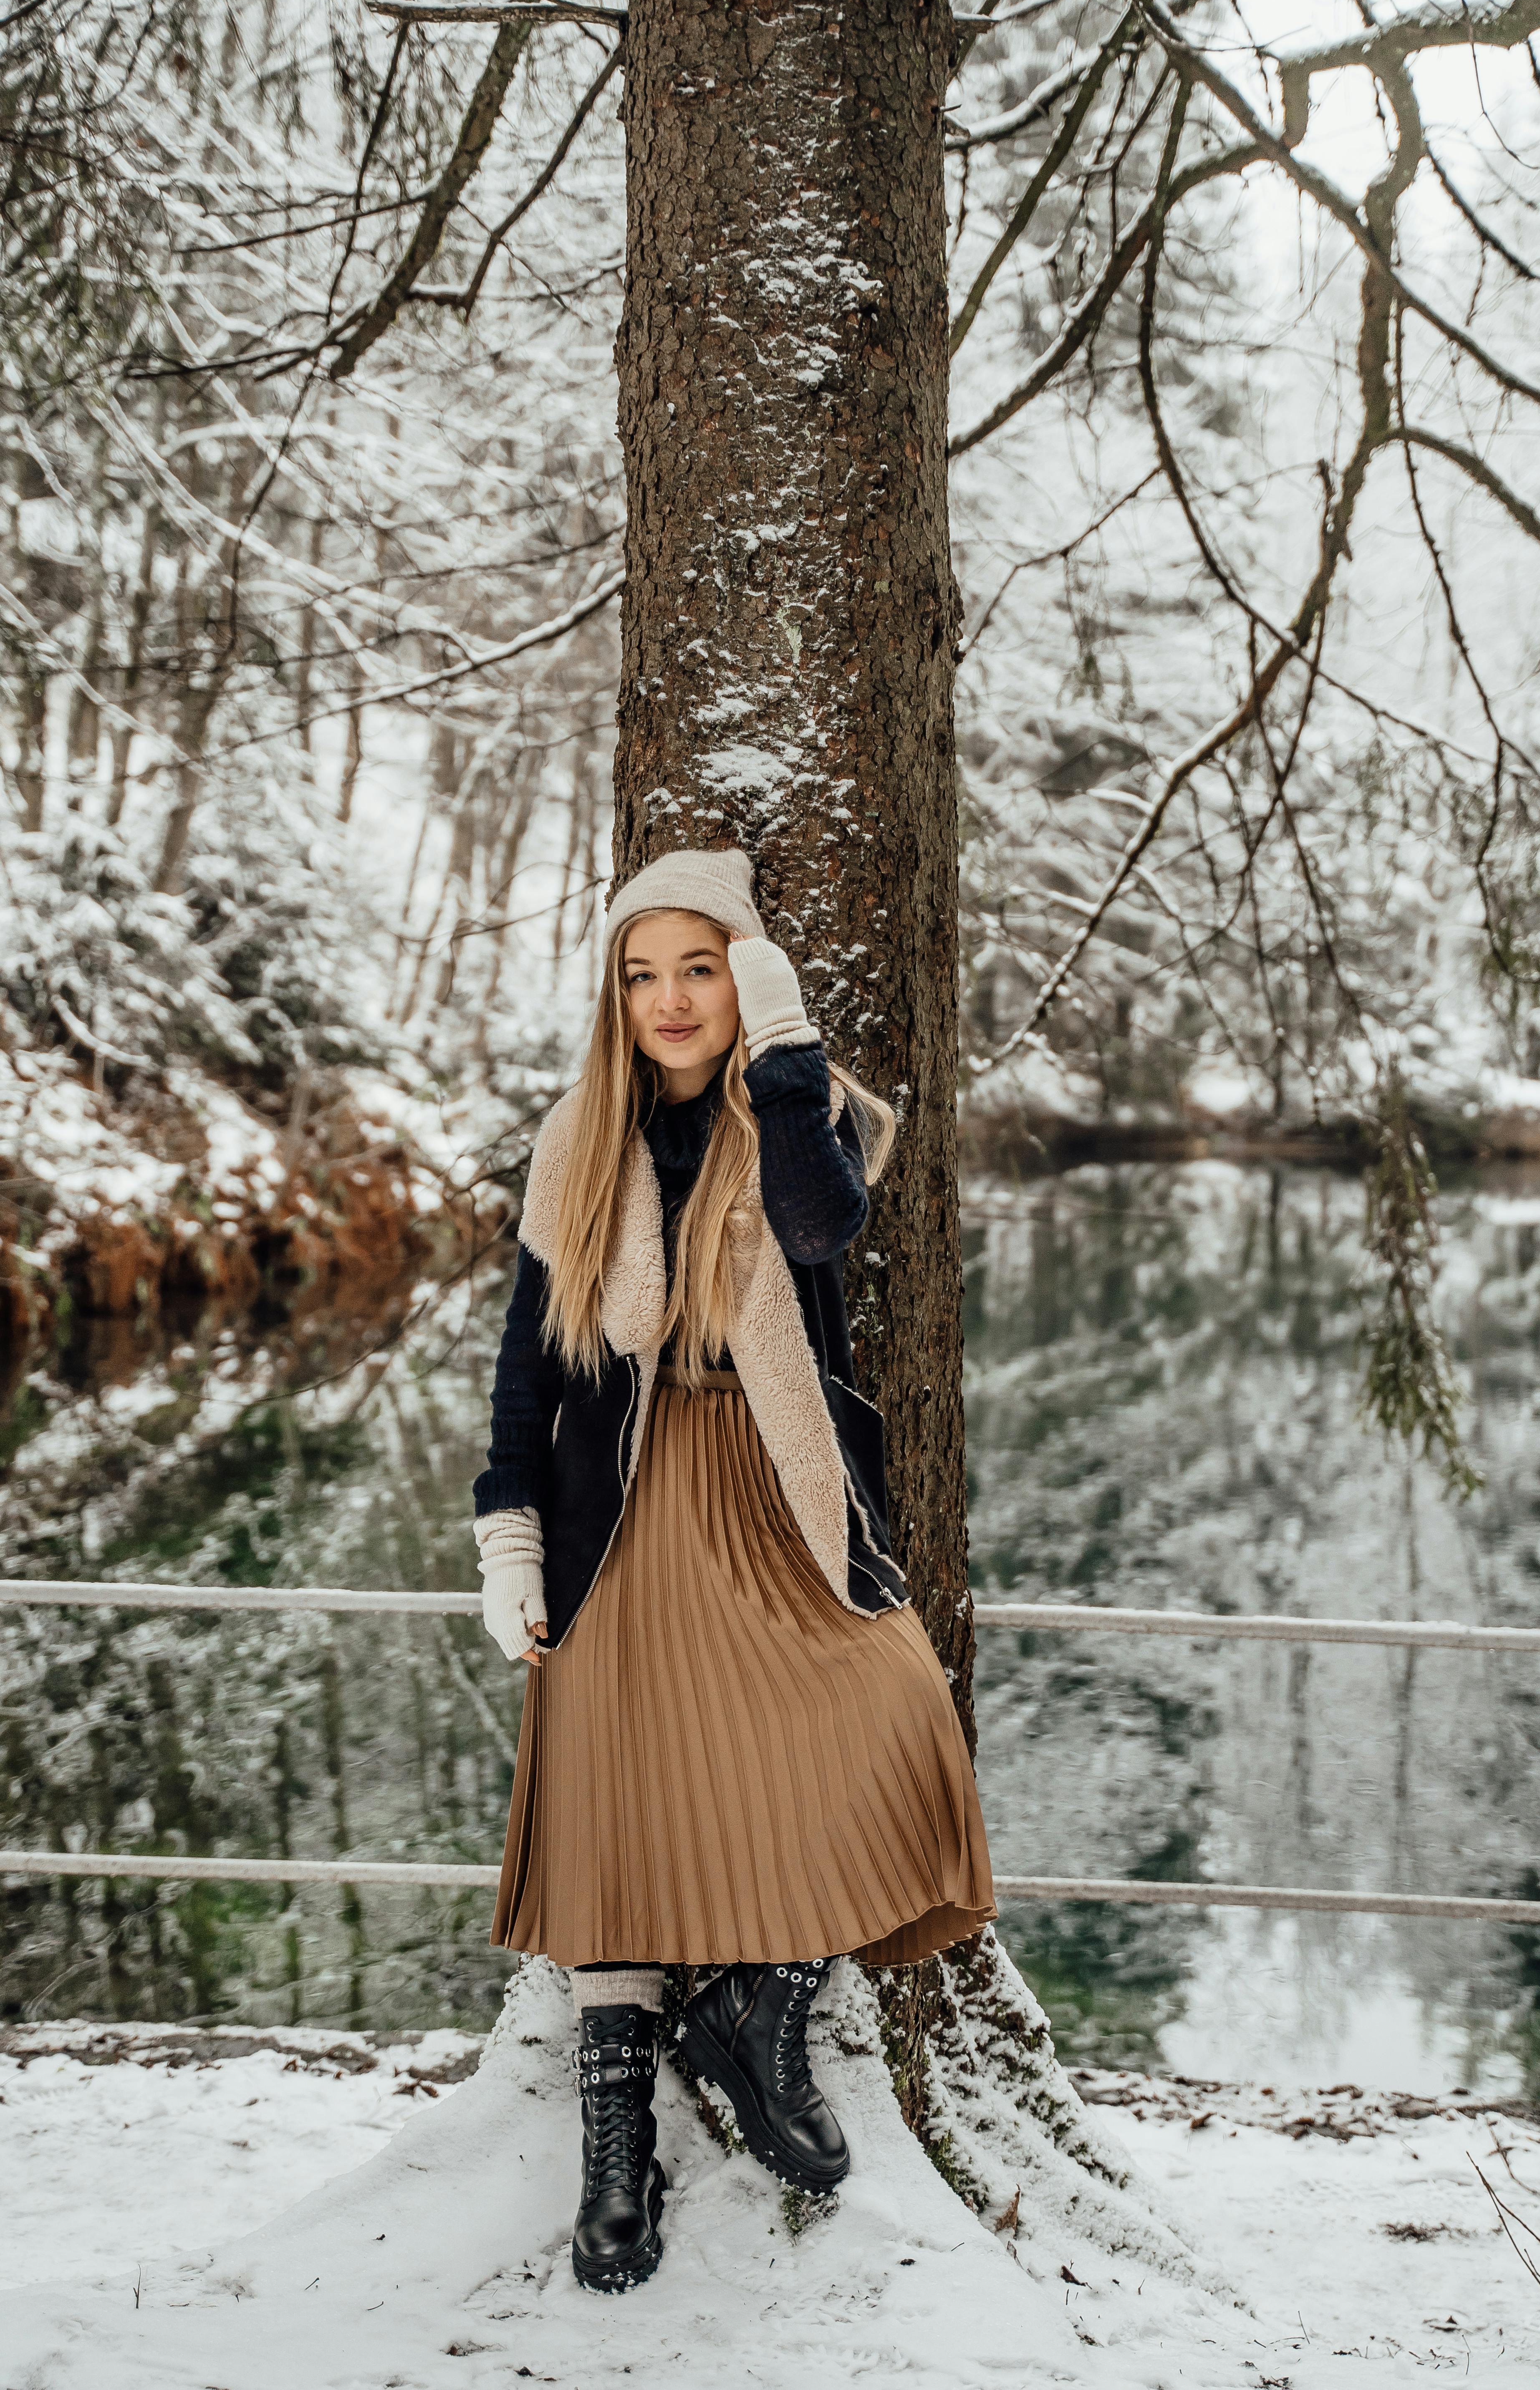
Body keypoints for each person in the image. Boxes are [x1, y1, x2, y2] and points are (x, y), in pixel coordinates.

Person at [472, 846, 995, 2294]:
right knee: (617, 1806)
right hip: (616, 1509)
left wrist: (781, 1037)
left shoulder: (797, 1114)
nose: (668, 999)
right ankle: (614, 2131)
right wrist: (506, 1532)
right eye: (641, 975)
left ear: (743, 976)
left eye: (699, 966)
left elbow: (827, 1228)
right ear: (612, 996)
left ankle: (762, 2005)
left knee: (895, 1712)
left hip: (771, 1494)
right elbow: (528, 1369)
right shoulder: (576, 1140)